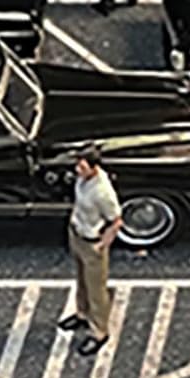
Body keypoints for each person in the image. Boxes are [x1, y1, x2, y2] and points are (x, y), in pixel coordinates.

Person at [59, 148, 122, 357]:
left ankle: (99, 331)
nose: (77, 170)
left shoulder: (102, 192)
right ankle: (82, 313)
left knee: (96, 289)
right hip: (78, 233)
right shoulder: (83, 180)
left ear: (94, 167)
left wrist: (102, 244)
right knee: (81, 279)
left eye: (82, 166)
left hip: (91, 240)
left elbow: (116, 221)